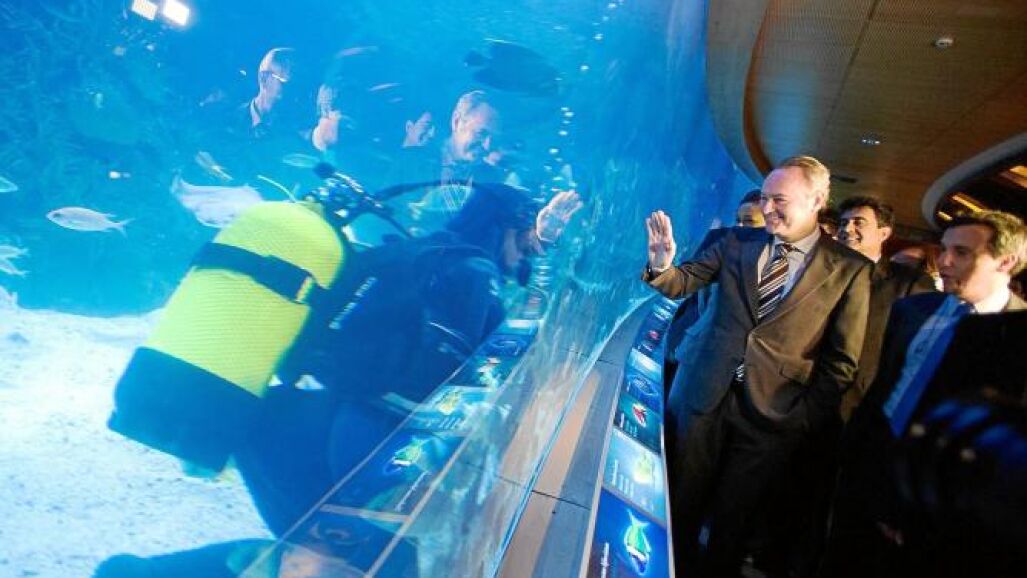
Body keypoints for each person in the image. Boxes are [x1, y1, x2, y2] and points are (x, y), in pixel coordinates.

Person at [93, 182, 581, 578]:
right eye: (526, 240)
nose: (527, 256)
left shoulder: (417, 253)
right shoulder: (474, 270)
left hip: (286, 419)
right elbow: (479, 367)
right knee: (345, 561)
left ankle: (137, 573)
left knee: (303, 552)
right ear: (504, 228)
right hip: (363, 439)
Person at [643, 155, 871, 577]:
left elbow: (841, 360)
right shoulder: (732, 241)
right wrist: (662, 265)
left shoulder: (850, 269)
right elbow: (681, 283)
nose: (767, 208)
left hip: (774, 416)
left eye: (779, 200)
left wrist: (803, 416)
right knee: (678, 508)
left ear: (817, 200)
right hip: (702, 395)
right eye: (764, 198)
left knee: (734, 524)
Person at [823, 209, 1027, 578]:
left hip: (941, 497)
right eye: (944, 249)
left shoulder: (1017, 337)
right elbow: (884, 384)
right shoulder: (912, 309)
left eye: (961, 252)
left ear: (1006, 261)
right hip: (871, 467)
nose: (944, 261)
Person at [835, 195, 936, 420]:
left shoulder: (910, 282)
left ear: (884, 233)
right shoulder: (820, 271)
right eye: (843, 222)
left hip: (861, 404)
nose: (847, 229)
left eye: (858, 222)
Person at [663, 190, 764, 391]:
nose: (739, 227)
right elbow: (684, 283)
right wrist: (660, 266)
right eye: (737, 220)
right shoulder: (720, 243)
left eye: (749, 222)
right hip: (693, 351)